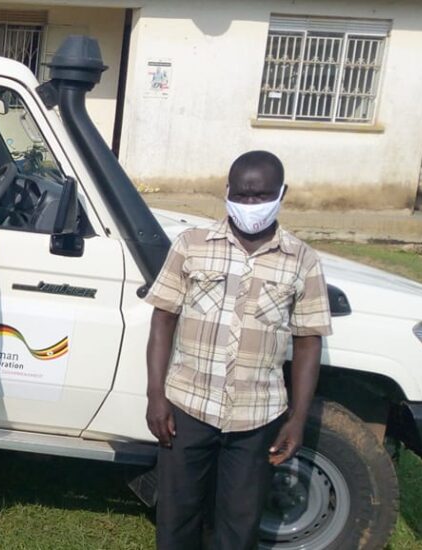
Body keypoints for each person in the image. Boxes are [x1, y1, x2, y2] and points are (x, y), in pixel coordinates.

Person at [144, 151, 331, 549]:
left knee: (240, 525)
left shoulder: (302, 260)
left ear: (282, 194)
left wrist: (297, 419)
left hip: (257, 417)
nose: (250, 204)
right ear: (227, 191)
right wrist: (155, 395)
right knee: (177, 518)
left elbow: (308, 341)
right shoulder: (192, 245)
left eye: (260, 195)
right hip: (188, 408)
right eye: (242, 195)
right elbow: (163, 319)